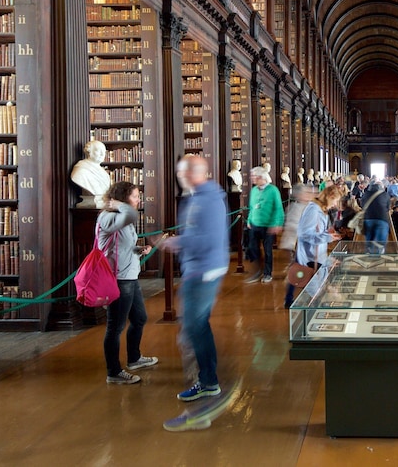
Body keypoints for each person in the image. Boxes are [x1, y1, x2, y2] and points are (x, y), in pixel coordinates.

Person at [159, 155, 230, 403]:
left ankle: (208, 381)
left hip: (203, 270)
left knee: (194, 327)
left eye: (181, 172)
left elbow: (207, 239)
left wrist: (177, 242)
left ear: (192, 173)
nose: (179, 177)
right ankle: (207, 377)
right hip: (199, 268)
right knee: (197, 325)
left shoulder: (206, 200)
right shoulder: (199, 197)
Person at [98, 181, 157, 384]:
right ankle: (113, 372)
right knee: (115, 327)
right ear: (123, 198)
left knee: (139, 318)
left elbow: (124, 246)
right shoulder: (108, 217)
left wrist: (139, 250)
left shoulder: (123, 218)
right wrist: (116, 205)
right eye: (134, 196)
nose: (139, 199)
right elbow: (130, 215)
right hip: (118, 279)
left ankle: (134, 358)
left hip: (131, 276)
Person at [290, 184, 344, 307]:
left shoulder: (320, 210)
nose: (335, 205)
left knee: (320, 296)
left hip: (317, 259)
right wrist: (328, 237)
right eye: (335, 201)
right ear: (330, 197)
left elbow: (316, 234)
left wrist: (328, 259)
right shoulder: (313, 209)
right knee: (316, 298)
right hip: (310, 261)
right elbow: (304, 234)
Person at [244, 165, 284, 284]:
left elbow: (278, 208)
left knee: (267, 251)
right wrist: (249, 220)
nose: (252, 178)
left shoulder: (273, 190)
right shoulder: (254, 190)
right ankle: (257, 272)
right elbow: (251, 207)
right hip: (255, 224)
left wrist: (277, 223)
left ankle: (267, 273)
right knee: (252, 248)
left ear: (261, 177)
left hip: (268, 226)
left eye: (254, 176)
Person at [71, 140, 112, 208]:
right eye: (98, 150)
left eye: (104, 151)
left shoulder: (104, 173)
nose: (102, 154)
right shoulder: (81, 170)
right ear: (89, 152)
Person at [361, 180, 391, 254]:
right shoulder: (385, 194)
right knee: (380, 242)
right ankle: (379, 256)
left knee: (369, 239)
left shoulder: (366, 194)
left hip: (368, 218)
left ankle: (369, 253)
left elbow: (362, 205)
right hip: (382, 218)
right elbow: (388, 208)